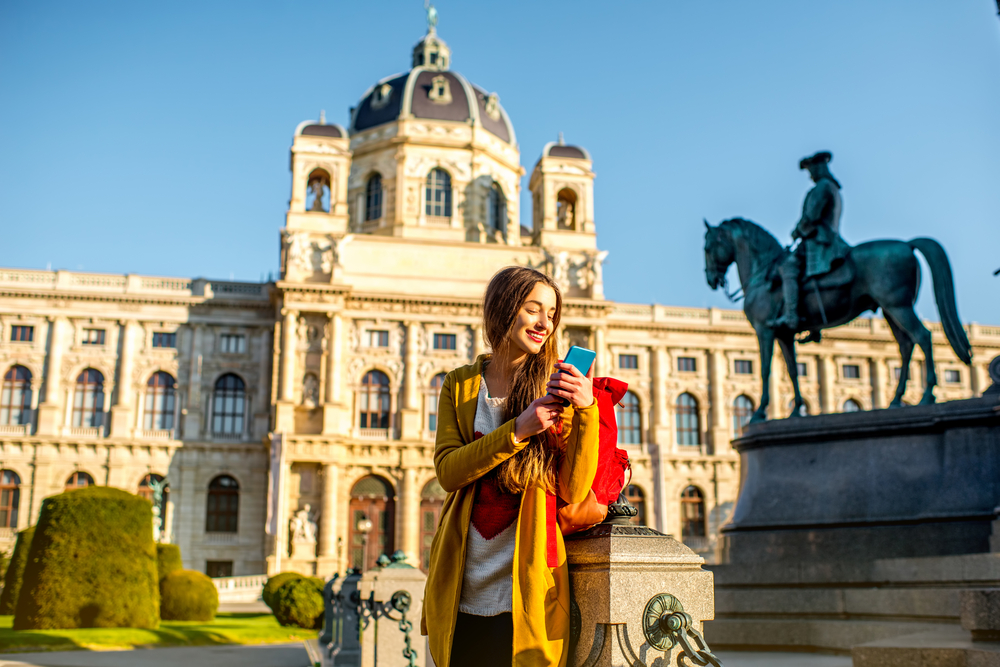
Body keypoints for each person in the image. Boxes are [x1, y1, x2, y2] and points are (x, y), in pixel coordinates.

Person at [421, 266, 600, 667]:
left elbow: (572, 490)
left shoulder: (556, 386)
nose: (544, 323)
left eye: (552, 315)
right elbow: (449, 473)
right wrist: (517, 430)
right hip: (460, 589)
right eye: (534, 309)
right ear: (503, 309)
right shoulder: (460, 384)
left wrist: (586, 410)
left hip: (528, 587)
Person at [769, 151, 849, 331]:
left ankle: (791, 317)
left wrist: (797, 231)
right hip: (829, 239)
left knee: (787, 268)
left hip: (820, 242)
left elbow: (811, 217)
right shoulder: (833, 188)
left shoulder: (822, 188)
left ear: (819, 169)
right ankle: (813, 326)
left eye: (811, 170)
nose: (810, 175)